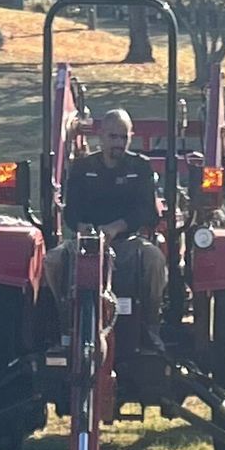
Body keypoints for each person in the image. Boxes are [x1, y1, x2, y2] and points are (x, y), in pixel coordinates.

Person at [47, 108, 167, 336]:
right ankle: (63, 319)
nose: (119, 143)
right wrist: (83, 227)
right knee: (52, 261)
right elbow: (71, 212)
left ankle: (152, 324)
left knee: (156, 260)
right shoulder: (83, 169)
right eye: (113, 137)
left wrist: (117, 227)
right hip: (87, 244)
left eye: (124, 137)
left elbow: (147, 212)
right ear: (101, 137)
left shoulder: (140, 167)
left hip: (127, 244)